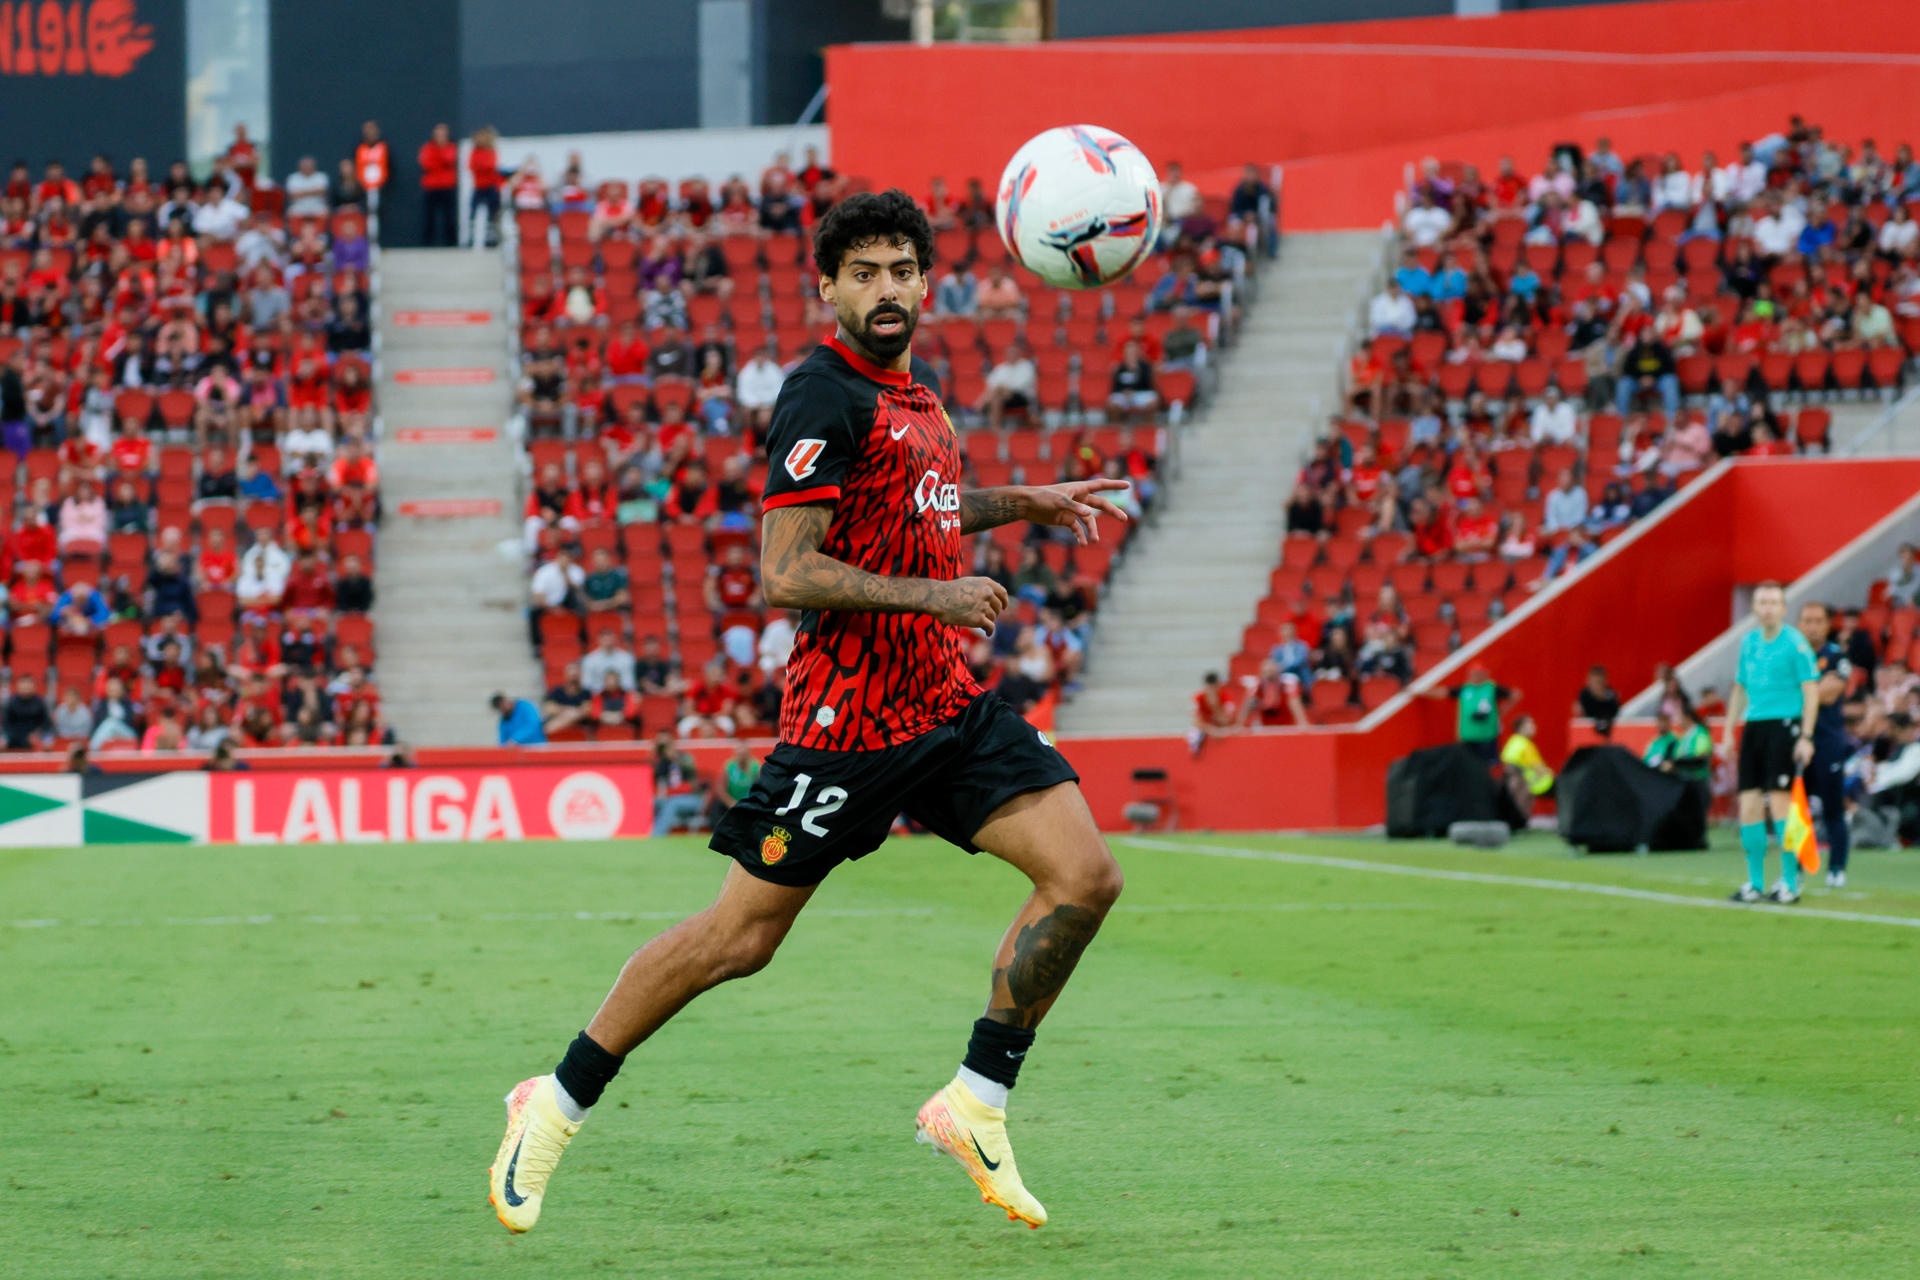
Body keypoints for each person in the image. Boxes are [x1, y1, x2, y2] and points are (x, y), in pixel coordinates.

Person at [489, 190, 1130, 1235]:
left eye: (901, 270)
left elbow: (916, 507)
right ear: (827, 286)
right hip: (850, 724)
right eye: (864, 272)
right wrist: (937, 595)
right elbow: (786, 572)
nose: (886, 289)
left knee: (1085, 875)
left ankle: (974, 1101)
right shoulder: (820, 394)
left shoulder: (916, 397)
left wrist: (1028, 499)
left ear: (926, 281)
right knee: (737, 939)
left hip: (944, 700)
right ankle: (552, 1101)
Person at [1723, 582, 1819, 904]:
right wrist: (1727, 732)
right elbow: (1739, 689)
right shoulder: (1749, 643)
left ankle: (1790, 881)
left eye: (1773, 602)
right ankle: (1755, 882)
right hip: (1754, 727)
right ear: (1754, 607)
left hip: (1784, 726)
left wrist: (1806, 735)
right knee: (1749, 804)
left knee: (1781, 804)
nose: (1767, 608)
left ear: (1783, 608)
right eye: (1761, 602)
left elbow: (1811, 690)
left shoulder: (1794, 643)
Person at [1798, 600, 1855, 886]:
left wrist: (1798, 692)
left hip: (1827, 741)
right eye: (1807, 621)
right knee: (1798, 806)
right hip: (1797, 742)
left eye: (1818, 621)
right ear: (1799, 624)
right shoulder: (1792, 656)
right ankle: (1796, 865)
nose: (1812, 626)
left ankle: (1836, 868)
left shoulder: (1837, 656)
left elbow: (1829, 694)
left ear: (1827, 624)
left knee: (1832, 806)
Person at [1439, 665, 1516, 763]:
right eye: (1472, 674)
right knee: (1469, 764)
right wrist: (1420, 690)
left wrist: (1501, 711)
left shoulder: (1491, 688)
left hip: (1487, 736)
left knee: (1489, 765)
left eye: (1477, 674)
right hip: (1468, 736)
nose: (1474, 677)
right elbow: (1444, 692)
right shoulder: (1465, 689)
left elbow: (1514, 695)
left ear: (1484, 675)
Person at [1500, 714, 1555, 815]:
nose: (1534, 727)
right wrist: (1553, 775)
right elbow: (1538, 769)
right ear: (1520, 728)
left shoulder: (1512, 742)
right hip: (1532, 784)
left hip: (1513, 785)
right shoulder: (1525, 745)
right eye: (1530, 725)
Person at [418, 123, 459, 247]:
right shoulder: (427, 147)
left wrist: (439, 157)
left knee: (449, 217)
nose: (440, 136)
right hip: (431, 187)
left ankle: (451, 244)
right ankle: (428, 244)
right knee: (429, 217)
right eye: (438, 134)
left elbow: (450, 159)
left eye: (443, 134)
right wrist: (441, 159)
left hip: (447, 186)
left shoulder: (452, 146)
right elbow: (426, 163)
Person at [1576, 665, 1621, 736]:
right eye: (1595, 682)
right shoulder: (1584, 695)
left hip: (1610, 734)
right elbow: (1581, 713)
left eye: (1599, 682)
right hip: (1586, 734)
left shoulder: (1611, 695)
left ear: (1605, 681)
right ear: (1589, 681)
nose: (1597, 685)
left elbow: (1616, 711)